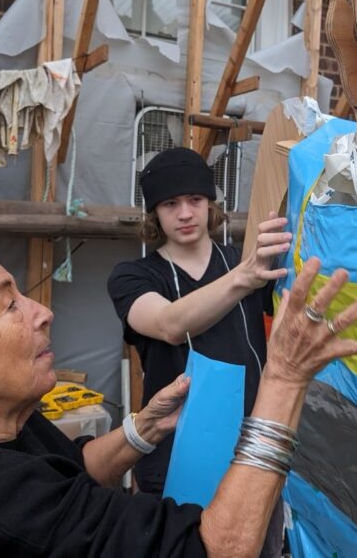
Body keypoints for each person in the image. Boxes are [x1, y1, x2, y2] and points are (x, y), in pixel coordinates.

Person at [0, 215, 357, 557]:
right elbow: (217, 549)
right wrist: (285, 379)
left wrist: (141, 431)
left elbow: (72, 470)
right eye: (7, 304)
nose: (42, 312)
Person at [108, 147, 292, 545]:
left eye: (195, 200)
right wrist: (247, 276)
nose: (186, 213)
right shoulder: (133, 276)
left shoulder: (246, 264)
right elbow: (169, 324)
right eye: (170, 203)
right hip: (173, 456)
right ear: (154, 213)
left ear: (211, 203)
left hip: (250, 452)